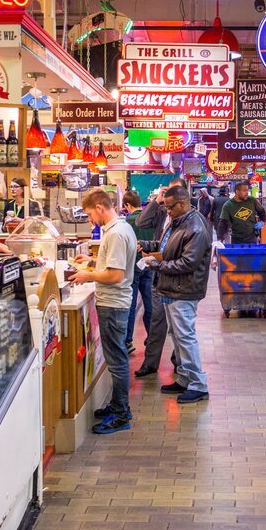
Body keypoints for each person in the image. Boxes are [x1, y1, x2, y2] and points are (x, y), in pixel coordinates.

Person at [69, 189, 138, 435]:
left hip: (114, 304)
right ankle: (117, 406)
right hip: (113, 303)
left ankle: (121, 415)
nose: (89, 219)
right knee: (116, 359)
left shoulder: (116, 233)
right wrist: (91, 262)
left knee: (117, 361)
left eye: (89, 213)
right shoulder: (118, 229)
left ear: (100, 207)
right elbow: (111, 265)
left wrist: (88, 274)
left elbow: (116, 275)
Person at [139, 184, 212, 403]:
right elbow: (167, 248)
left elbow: (188, 263)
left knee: (185, 337)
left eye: (170, 207)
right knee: (178, 337)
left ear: (182, 203)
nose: (167, 211)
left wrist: (156, 265)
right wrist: (146, 245)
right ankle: (184, 378)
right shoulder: (179, 223)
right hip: (172, 288)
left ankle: (198, 384)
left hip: (184, 290)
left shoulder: (195, 227)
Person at [136, 180, 185, 378]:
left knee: (178, 326)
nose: (168, 198)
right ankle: (150, 363)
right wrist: (157, 201)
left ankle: (178, 363)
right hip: (159, 273)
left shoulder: (187, 220)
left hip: (176, 278)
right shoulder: (162, 211)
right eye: (167, 191)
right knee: (157, 321)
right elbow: (141, 222)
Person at [123, 190, 159, 355]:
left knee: (131, 304)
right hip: (149, 263)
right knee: (149, 303)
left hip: (132, 266)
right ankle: (152, 337)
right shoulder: (151, 219)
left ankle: (128, 340)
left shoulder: (128, 221)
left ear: (127, 205)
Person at [217, 181, 266, 245]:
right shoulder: (228, 205)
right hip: (236, 239)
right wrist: (219, 239)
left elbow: (262, 211)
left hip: (252, 238)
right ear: (237, 191)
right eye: (244, 191)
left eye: (247, 190)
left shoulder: (252, 200)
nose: (247, 193)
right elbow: (223, 223)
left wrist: (262, 221)